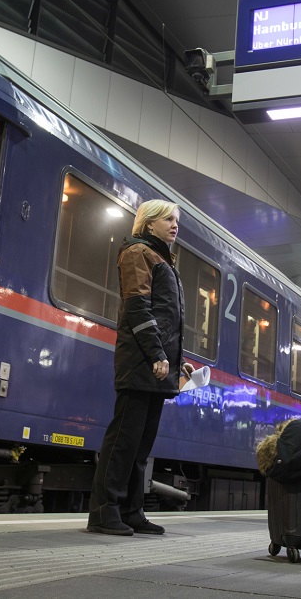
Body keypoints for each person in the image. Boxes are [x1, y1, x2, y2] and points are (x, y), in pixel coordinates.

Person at [86, 200, 193, 536]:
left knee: (141, 445)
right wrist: (157, 354)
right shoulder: (137, 253)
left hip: (157, 363)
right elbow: (137, 308)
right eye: (168, 219)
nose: (175, 225)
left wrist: (177, 360)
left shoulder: (164, 260)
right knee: (123, 440)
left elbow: (167, 318)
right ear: (149, 224)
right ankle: (104, 512)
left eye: (177, 220)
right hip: (140, 361)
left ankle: (132, 511)